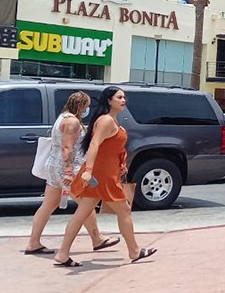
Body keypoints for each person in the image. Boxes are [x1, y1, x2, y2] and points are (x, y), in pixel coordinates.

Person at [53, 87, 156, 267]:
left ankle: (63, 253)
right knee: (124, 210)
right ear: (109, 100)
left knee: (82, 214)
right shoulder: (107, 120)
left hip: (103, 173)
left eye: (124, 97)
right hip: (102, 175)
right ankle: (134, 250)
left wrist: (118, 164)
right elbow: (94, 144)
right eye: (119, 97)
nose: (123, 100)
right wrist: (89, 170)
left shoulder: (110, 120)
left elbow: (109, 148)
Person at [24, 92, 120, 255]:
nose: (88, 109)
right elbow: (67, 148)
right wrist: (69, 173)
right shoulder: (72, 122)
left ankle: (33, 242)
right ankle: (97, 239)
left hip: (53, 167)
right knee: (86, 204)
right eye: (87, 106)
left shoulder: (62, 118)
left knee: (48, 204)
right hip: (68, 169)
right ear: (81, 106)